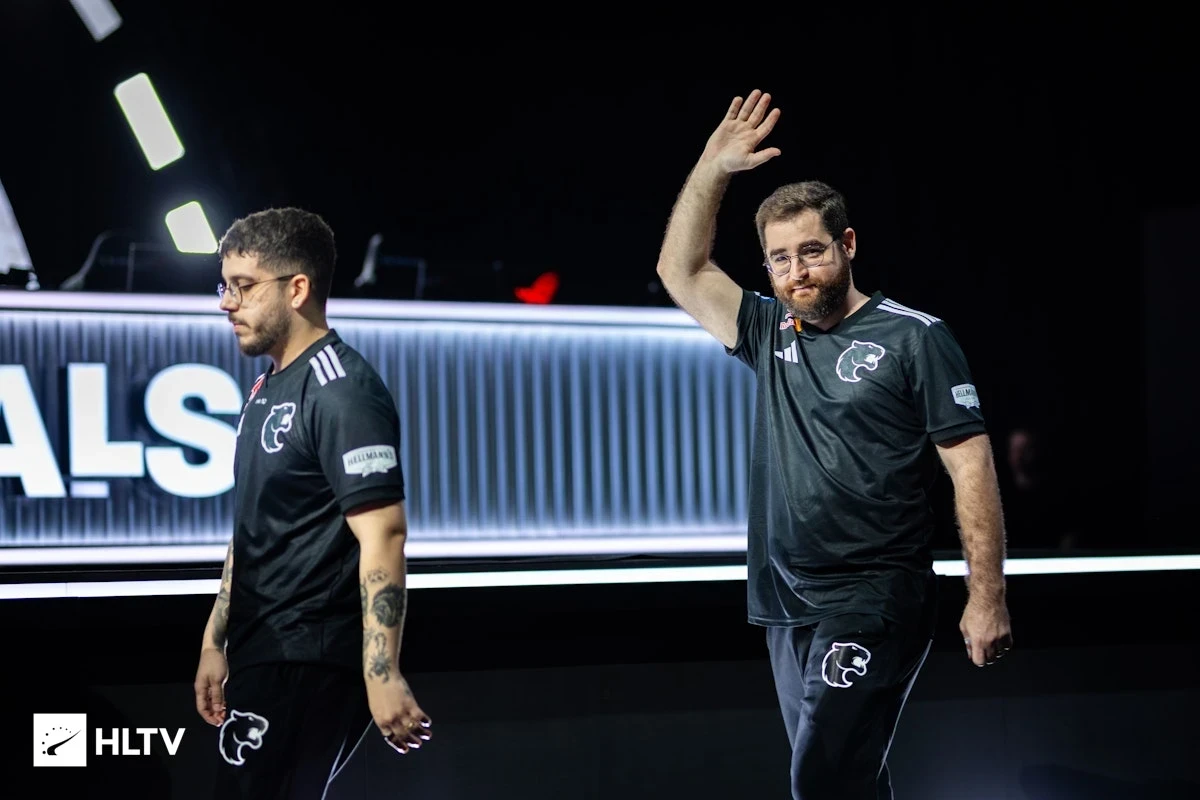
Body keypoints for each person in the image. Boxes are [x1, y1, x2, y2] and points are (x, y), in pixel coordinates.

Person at [655, 90, 1013, 799]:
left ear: (847, 245)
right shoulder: (767, 332)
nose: (797, 272)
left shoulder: (915, 337)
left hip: (876, 594)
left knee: (820, 777)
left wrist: (988, 595)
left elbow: (970, 465)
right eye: (780, 259)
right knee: (848, 778)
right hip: (785, 600)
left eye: (812, 252)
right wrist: (712, 168)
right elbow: (682, 271)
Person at [193, 207, 431, 798]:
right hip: (263, 653)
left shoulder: (340, 388)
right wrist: (215, 642)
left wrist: (382, 673)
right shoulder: (264, 389)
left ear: (297, 289)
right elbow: (254, 529)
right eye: (225, 286)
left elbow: (384, 533)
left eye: (243, 286)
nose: (227, 303)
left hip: (307, 655)